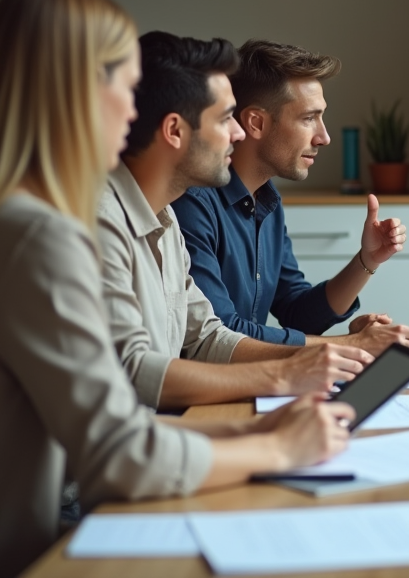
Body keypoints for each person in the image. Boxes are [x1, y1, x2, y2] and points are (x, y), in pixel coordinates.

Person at [0, 0, 353, 578]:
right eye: (127, 86)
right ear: (77, 95)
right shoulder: (43, 233)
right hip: (51, 544)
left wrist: (261, 427)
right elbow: (118, 451)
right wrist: (276, 444)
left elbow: (184, 352)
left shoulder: (140, 215)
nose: (137, 109)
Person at [99, 31, 377, 410]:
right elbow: (135, 373)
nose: (237, 132)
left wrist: (317, 361)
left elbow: (207, 338)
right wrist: (325, 357)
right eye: (226, 118)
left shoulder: (164, 221)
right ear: (175, 131)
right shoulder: (105, 223)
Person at [171, 39, 409, 353]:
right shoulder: (192, 204)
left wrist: (367, 260)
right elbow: (222, 332)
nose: (324, 137)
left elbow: (297, 312)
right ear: (257, 123)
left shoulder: (267, 202)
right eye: (309, 118)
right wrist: (353, 345)